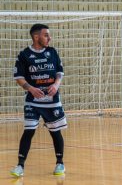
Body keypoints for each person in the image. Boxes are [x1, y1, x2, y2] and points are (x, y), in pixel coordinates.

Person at [11, 24, 67, 177]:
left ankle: (60, 163)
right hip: (33, 101)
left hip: (52, 101)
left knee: (55, 132)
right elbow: (19, 77)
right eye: (46, 35)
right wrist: (30, 88)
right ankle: (20, 166)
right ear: (36, 37)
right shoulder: (24, 55)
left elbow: (59, 72)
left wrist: (56, 85)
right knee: (28, 131)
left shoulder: (52, 52)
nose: (49, 38)